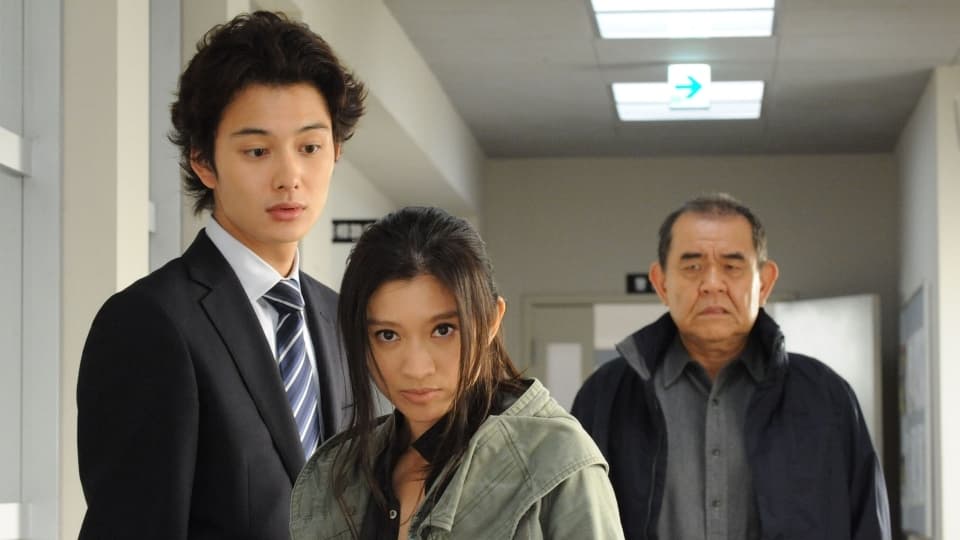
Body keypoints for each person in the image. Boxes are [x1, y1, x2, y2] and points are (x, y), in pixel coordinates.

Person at [76, 11, 366, 539]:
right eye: (257, 151)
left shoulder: (340, 317)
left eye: (310, 147)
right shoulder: (148, 323)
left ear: (336, 153)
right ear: (203, 162)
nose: (289, 177)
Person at [289, 207, 624, 539]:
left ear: (491, 320)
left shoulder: (556, 462)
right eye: (388, 335)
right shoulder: (340, 474)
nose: (417, 368)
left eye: (443, 330)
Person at [572, 193, 891, 540]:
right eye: (692, 266)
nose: (712, 283)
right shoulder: (605, 396)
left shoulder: (827, 399)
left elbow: (868, 526)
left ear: (764, 283)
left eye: (732, 266)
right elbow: (572, 524)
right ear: (661, 283)